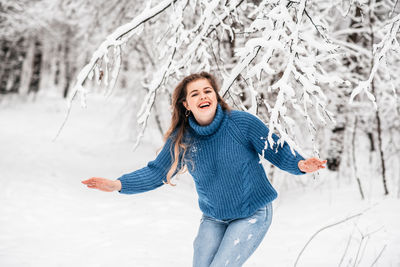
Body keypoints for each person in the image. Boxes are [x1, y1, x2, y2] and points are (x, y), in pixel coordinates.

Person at [82, 72, 326, 267]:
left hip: (253, 212)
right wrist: (118, 184)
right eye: (195, 94)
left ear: (216, 97)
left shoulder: (241, 123)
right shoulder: (182, 138)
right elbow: (158, 172)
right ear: (186, 104)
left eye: (207, 91)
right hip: (213, 218)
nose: (203, 96)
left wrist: (300, 165)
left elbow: (276, 149)